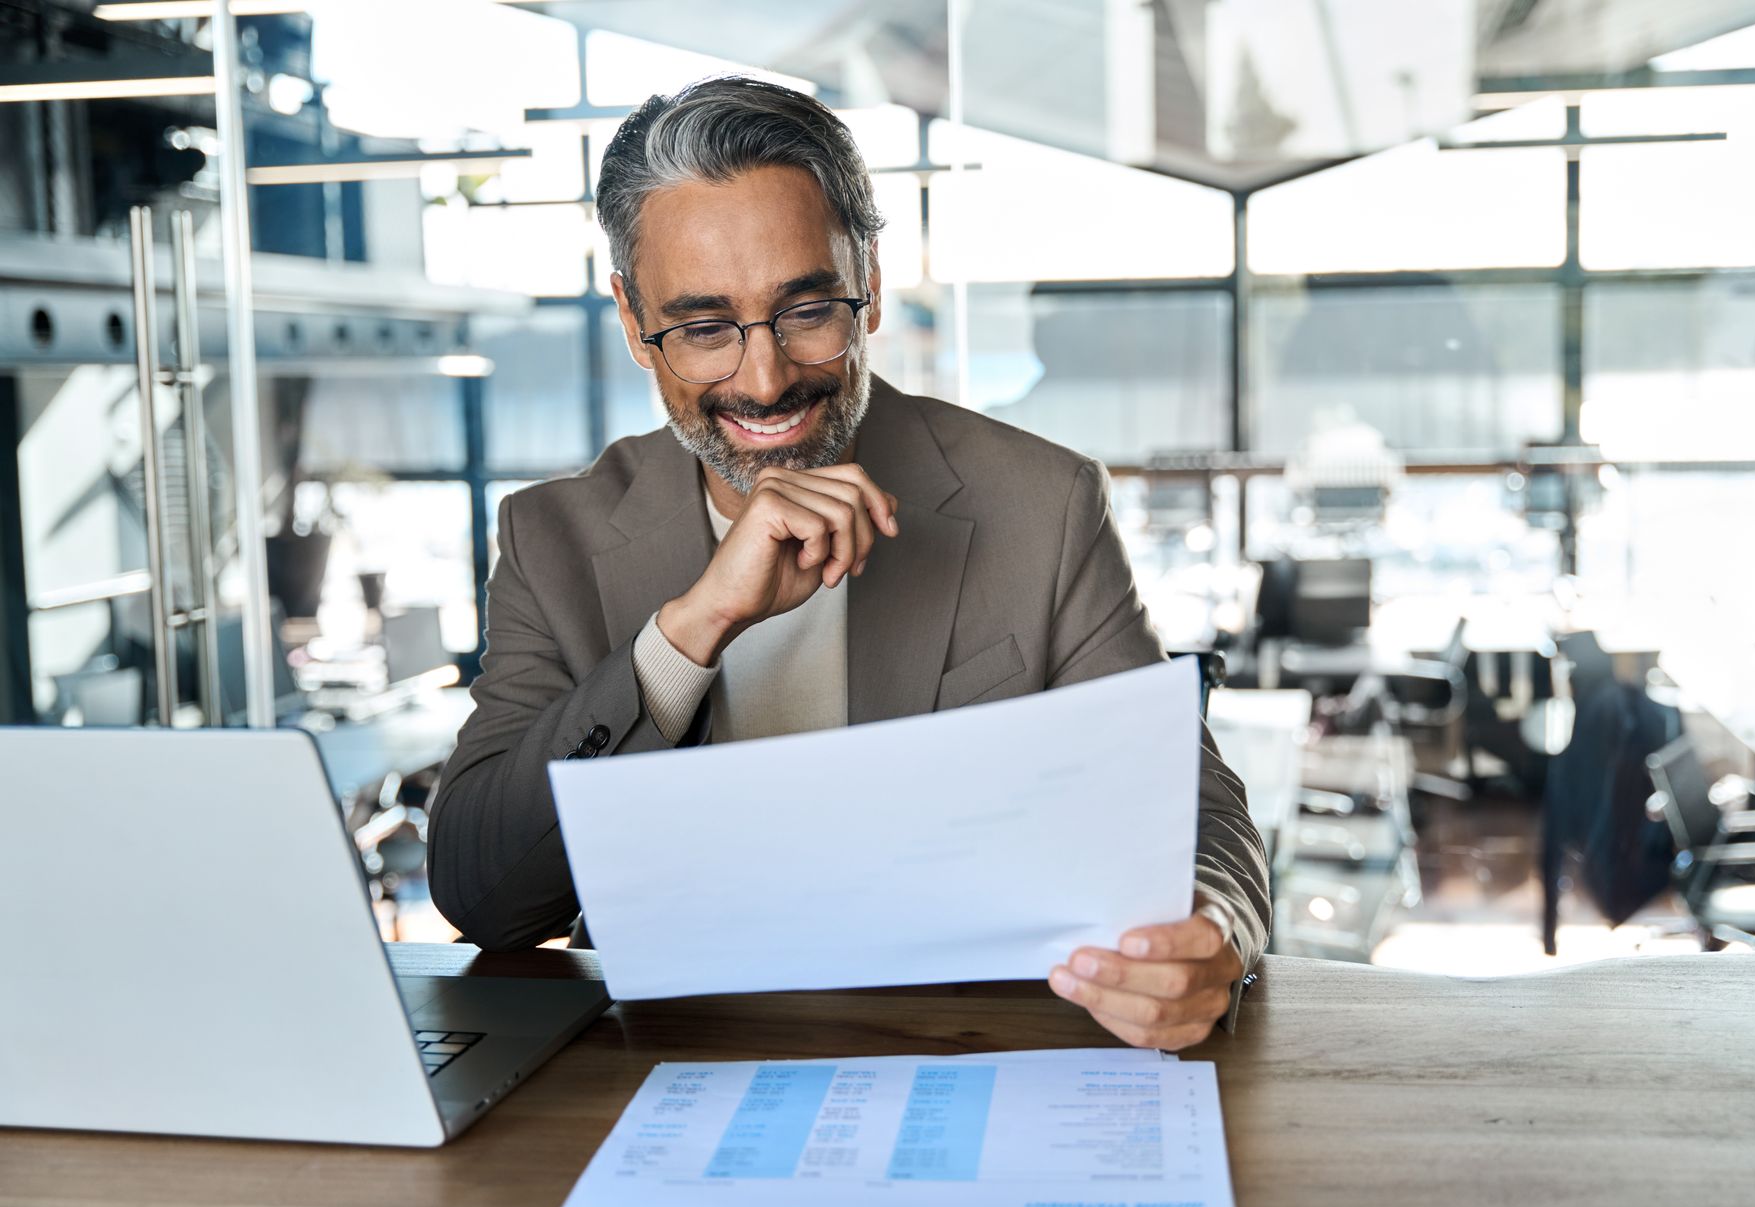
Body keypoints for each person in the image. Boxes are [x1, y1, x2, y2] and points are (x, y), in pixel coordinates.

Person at [427, 77, 1270, 1051]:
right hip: (660, 1069)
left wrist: (1210, 932)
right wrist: (687, 633)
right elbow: (481, 894)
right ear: (632, 321)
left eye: (806, 309)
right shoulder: (555, 537)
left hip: (966, 1054)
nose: (765, 376)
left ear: (867, 281)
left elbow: (1187, 807)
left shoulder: (1039, 501)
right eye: (703, 328)